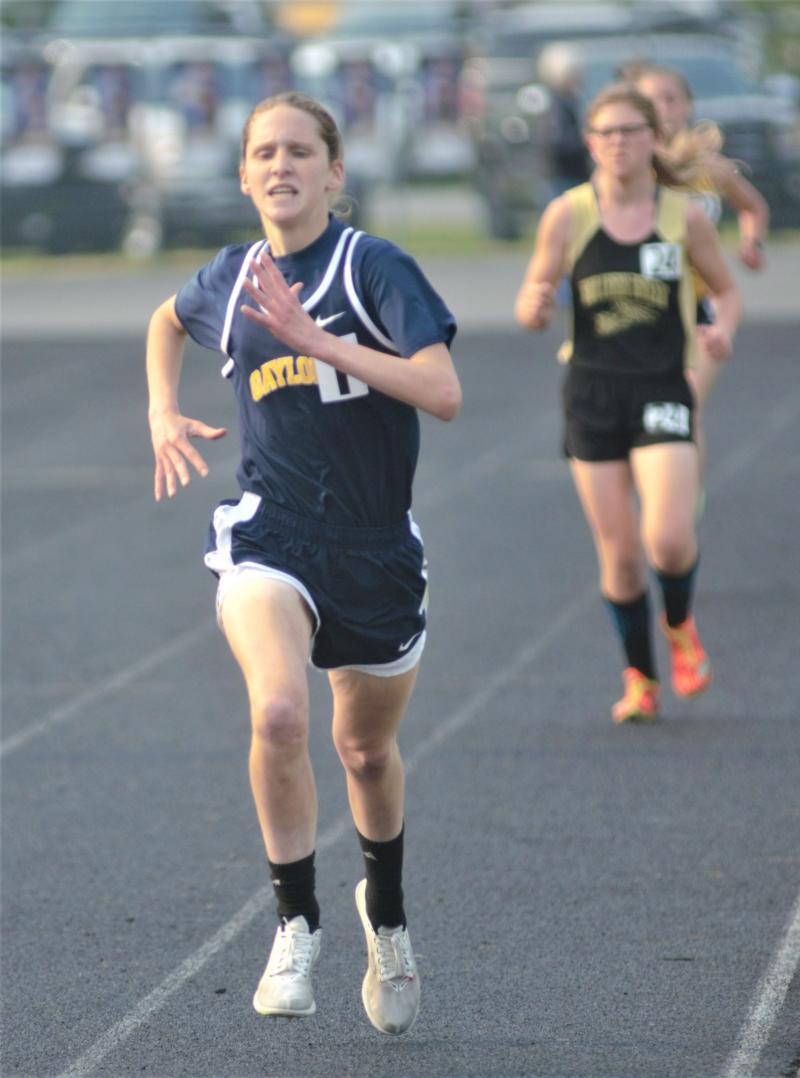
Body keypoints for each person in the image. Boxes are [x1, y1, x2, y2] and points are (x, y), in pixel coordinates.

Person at [146, 91, 460, 1034]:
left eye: (298, 151)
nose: (279, 166)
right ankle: (296, 921)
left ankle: (388, 921)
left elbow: (442, 392)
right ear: (244, 176)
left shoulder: (374, 268)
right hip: (269, 534)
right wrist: (161, 411)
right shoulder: (231, 277)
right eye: (262, 153)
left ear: (335, 174)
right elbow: (165, 320)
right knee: (279, 710)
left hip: (374, 551)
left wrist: (324, 343)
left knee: (364, 750)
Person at [514, 83, 741, 724]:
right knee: (617, 555)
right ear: (590, 143)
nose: (619, 144)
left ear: (651, 140)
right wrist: (531, 308)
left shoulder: (682, 217)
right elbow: (534, 292)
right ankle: (640, 678)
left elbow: (725, 291)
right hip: (591, 392)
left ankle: (680, 625)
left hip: (663, 384)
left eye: (631, 132)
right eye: (607, 133)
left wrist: (720, 328)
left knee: (667, 539)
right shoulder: (568, 214)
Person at [629, 63, 767, 419]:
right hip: (642, 310)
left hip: (699, 308)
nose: (661, 108)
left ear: (688, 105)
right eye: (650, 100)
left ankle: (685, 476)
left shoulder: (709, 168)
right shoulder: (630, 171)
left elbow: (752, 207)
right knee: (646, 420)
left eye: (670, 99)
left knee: (684, 409)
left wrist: (752, 243)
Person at [537, 42, 593, 203]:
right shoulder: (556, 105)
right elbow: (558, 141)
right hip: (563, 175)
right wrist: (585, 140)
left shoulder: (575, 101)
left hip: (575, 173)